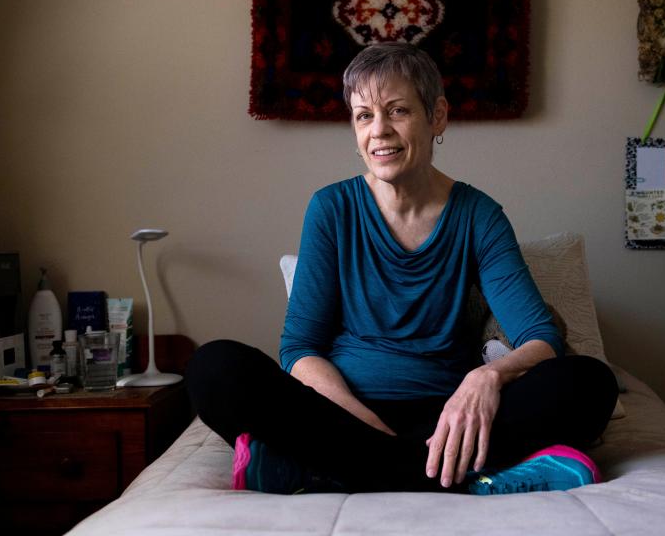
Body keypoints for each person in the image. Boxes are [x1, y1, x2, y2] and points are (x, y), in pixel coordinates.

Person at [187, 42, 618, 495]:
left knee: (590, 383)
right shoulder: (332, 209)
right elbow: (299, 347)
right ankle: (461, 475)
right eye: (363, 116)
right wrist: (359, 419)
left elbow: (541, 336)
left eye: (397, 111)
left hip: (447, 419)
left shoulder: (478, 215)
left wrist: (485, 377)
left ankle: (321, 470)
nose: (379, 132)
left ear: (437, 116)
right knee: (213, 368)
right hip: (340, 415)